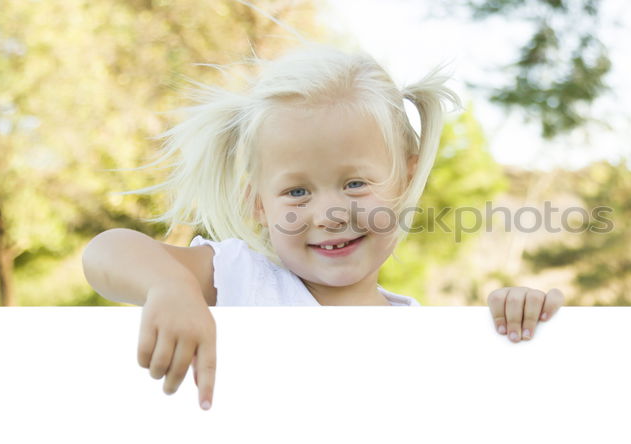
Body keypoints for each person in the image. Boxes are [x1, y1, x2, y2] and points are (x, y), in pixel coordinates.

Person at [81, 43, 564, 411]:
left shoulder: (418, 332)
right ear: (258, 204)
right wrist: (170, 287)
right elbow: (105, 251)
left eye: (354, 184)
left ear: (407, 178)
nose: (329, 214)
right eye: (296, 192)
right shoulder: (238, 277)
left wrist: (513, 318)